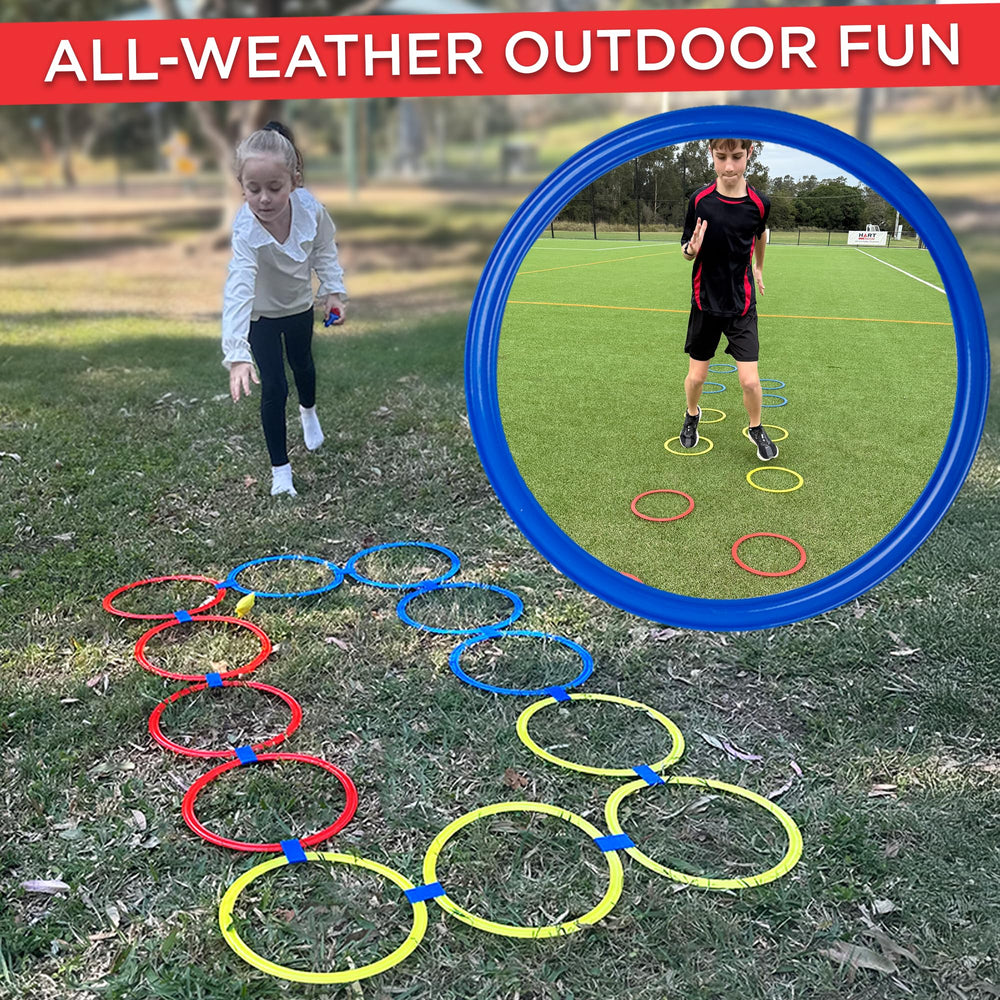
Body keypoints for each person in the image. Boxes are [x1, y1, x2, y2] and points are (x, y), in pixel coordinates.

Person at [221, 121, 348, 497]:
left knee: (303, 366)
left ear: (294, 181)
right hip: (261, 316)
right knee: (274, 386)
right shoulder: (246, 231)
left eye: (274, 188)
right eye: (253, 189)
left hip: (296, 307)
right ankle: (281, 473)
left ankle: (308, 412)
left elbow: (324, 249)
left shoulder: (311, 210)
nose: (263, 199)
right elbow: (239, 286)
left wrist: (333, 292)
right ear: (241, 187)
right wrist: (237, 352)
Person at [678, 138, 777, 462]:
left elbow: (760, 234)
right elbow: (686, 249)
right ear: (711, 154)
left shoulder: (759, 203)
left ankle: (756, 426)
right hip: (705, 302)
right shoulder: (700, 201)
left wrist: (759, 268)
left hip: (742, 304)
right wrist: (691, 249)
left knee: (750, 380)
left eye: (737, 157)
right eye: (721, 157)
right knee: (697, 377)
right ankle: (692, 414)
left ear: (750, 153)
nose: (729, 166)